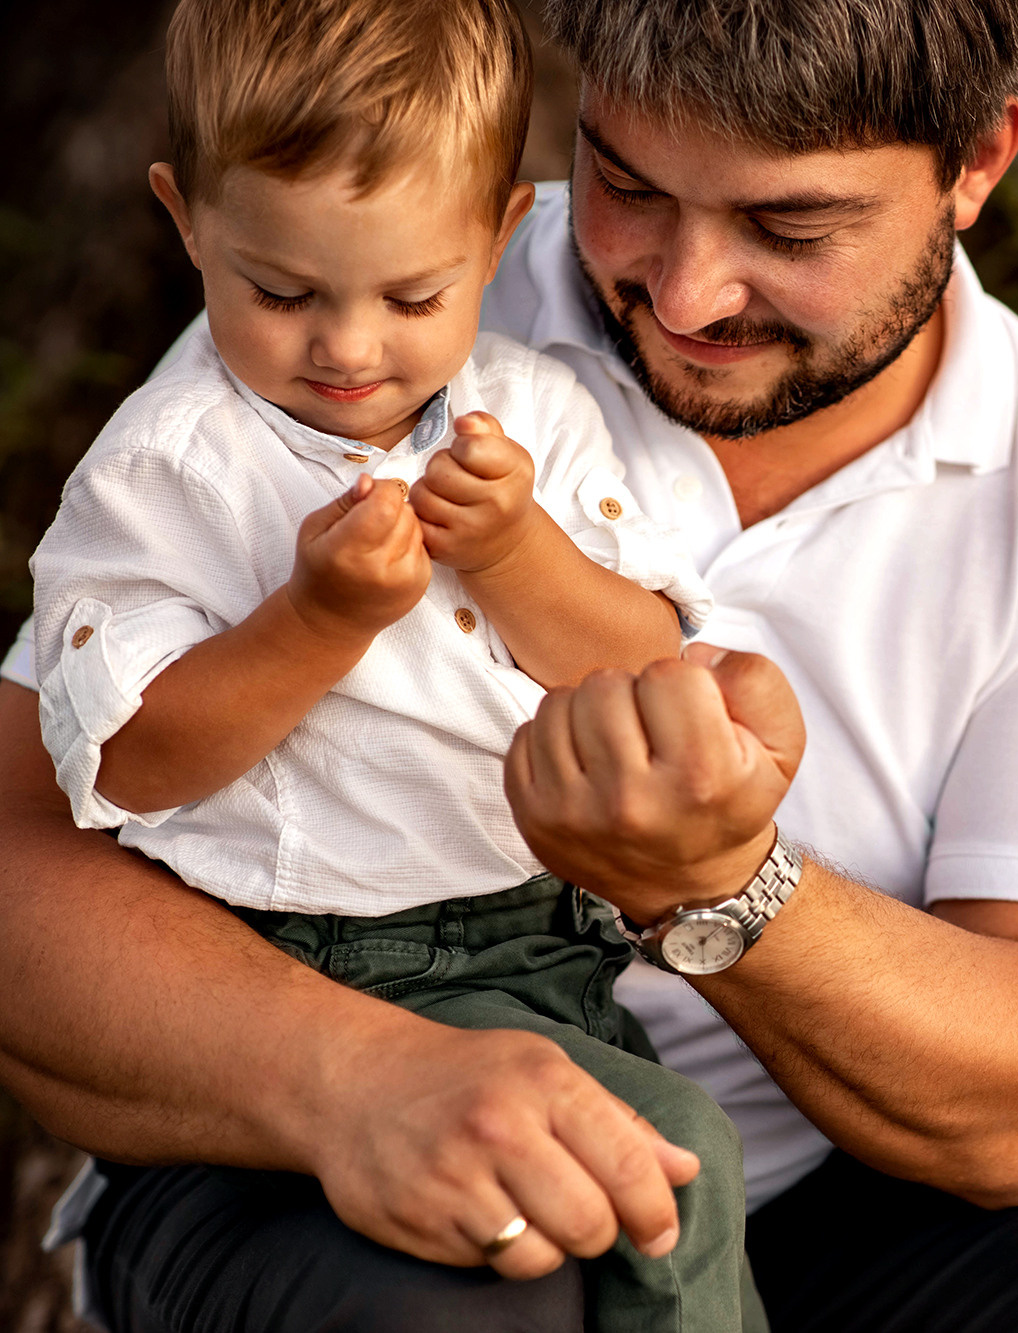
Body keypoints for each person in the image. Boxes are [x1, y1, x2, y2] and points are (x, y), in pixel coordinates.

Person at [0, 1, 1018, 1329]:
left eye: (790, 225)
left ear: (977, 162)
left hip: (843, 1188)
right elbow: (25, 858)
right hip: (320, 1116)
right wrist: (356, 1080)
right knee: (476, 1289)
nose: (684, 294)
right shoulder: (365, 304)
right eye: (626, 185)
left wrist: (718, 878)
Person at [26, 0, 762, 1328]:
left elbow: (652, 662)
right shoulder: (167, 468)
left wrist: (521, 552)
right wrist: (312, 622)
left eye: (414, 297)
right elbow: (126, 762)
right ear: (187, 219)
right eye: (282, 292)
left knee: (606, 1219)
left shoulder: (531, 416)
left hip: (540, 953)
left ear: (503, 231)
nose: (350, 349)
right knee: (674, 1163)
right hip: (304, 965)